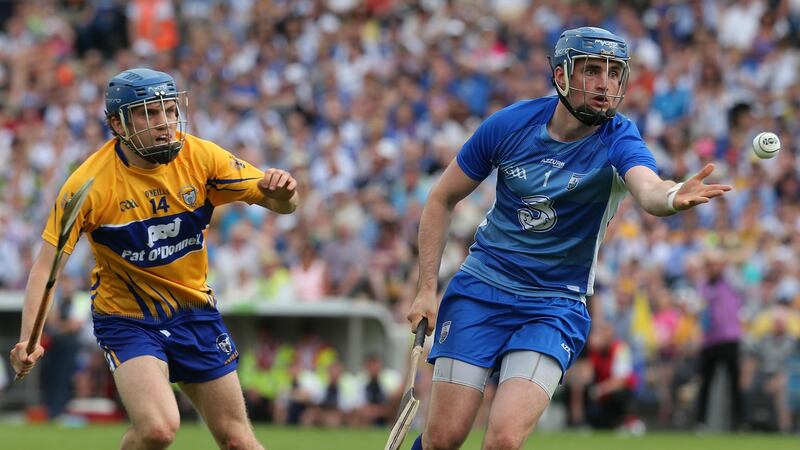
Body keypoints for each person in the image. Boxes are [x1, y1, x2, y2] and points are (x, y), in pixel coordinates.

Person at [405, 27, 731, 450]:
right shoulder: (509, 125)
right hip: (480, 290)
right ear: (561, 75)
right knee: (443, 439)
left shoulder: (619, 137)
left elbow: (649, 188)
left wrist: (671, 197)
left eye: (614, 73)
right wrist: (425, 289)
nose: (605, 84)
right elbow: (441, 198)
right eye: (592, 70)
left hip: (553, 305)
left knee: (504, 440)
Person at [9, 68, 298, 450]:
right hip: (128, 319)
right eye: (149, 113)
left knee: (237, 440)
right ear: (118, 124)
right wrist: (27, 339)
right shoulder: (88, 185)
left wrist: (284, 192)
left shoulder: (202, 157)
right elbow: (47, 266)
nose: (165, 122)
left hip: (194, 311)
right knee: (158, 429)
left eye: (169, 109)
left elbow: (283, 205)